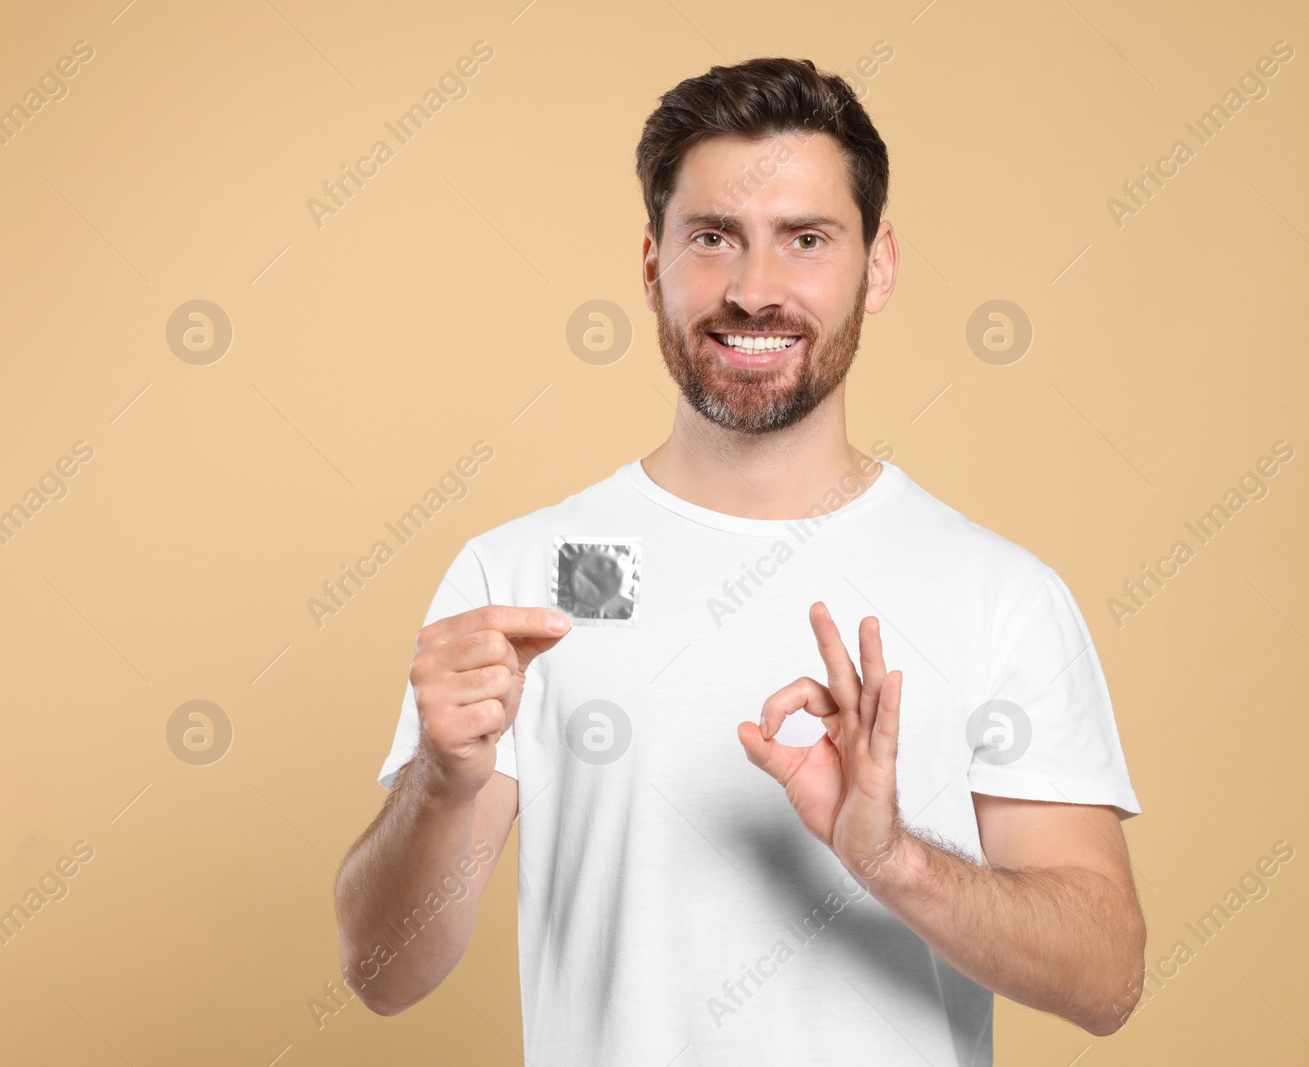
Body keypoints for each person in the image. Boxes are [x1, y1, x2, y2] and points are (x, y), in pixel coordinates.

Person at [335, 55, 1145, 1065]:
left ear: (877, 265)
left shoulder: (1000, 594)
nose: (754, 291)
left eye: (805, 240)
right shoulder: (523, 580)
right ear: (650, 264)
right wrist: (439, 785)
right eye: (713, 238)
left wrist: (895, 860)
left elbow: (1107, 977)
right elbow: (381, 972)